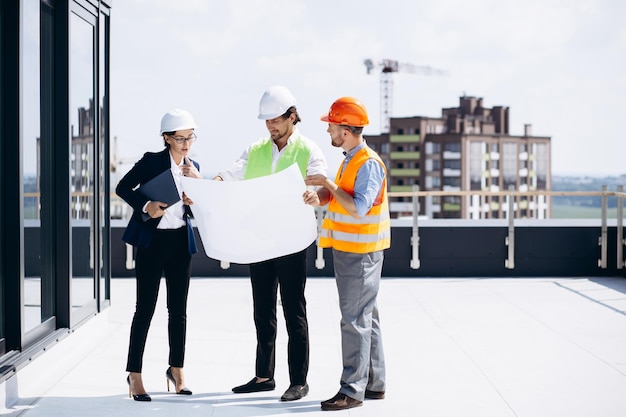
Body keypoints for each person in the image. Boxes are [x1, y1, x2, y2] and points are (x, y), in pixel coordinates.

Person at [214, 85, 327, 401]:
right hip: (259, 241)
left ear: (292, 116)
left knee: (294, 311)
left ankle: (299, 381)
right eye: (266, 121)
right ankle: (264, 376)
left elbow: (321, 184)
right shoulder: (256, 150)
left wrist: (313, 195)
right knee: (262, 311)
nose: (270, 126)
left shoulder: (309, 150)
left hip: (291, 242)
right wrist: (211, 185)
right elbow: (231, 175)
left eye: (275, 120)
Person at [303, 97, 391, 411]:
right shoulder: (350, 158)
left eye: (331, 125)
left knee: (354, 321)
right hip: (353, 251)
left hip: (360, 253)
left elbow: (358, 207)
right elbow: (343, 196)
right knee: (368, 318)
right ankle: (374, 383)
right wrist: (321, 196)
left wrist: (327, 182)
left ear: (345, 129)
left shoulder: (366, 162)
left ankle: (351, 390)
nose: (328, 129)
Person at [116, 108, 203, 401]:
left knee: (178, 311)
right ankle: (135, 374)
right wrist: (147, 205)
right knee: (145, 309)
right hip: (152, 243)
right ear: (167, 138)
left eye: (190, 137)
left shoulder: (194, 166)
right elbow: (122, 187)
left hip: (180, 243)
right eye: (180, 138)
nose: (186, 144)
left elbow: (199, 208)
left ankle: (177, 370)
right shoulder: (151, 161)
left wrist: (197, 189)